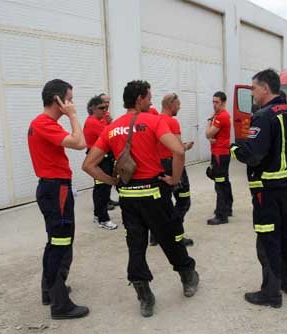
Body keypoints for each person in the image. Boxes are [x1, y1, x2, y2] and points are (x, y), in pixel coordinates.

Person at [82, 80, 199, 318]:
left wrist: (113, 182)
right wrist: (175, 179)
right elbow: (178, 150)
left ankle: (144, 296)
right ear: (139, 99)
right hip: (154, 195)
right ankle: (188, 276)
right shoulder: (154, 121)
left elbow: (88, 165)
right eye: (149, 97)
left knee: (136, 247)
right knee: (169, 240)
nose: (152, 101)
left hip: (128, 199)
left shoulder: (111, 128)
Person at [230, 69, 287, 308]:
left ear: (264, 88)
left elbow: (253, 155)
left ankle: (271, 293)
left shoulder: (263, 116)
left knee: (268, 238)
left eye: (253, 88)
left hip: (267, 191)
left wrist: (234, 149)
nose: (252, 93)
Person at [27, 79, 89, 319]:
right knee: (62, 244)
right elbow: (80, 143)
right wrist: (73, 116)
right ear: (58, 100)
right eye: (69, 99)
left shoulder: (43, 123)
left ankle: (50, 290)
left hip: (54, 188)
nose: (72, 103)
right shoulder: (44, 123)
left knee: (56, 242)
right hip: (56, 189)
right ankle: (60, 304)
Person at [151, 93, 194, 247]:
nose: (180, 107)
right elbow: (178, 148)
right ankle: (175, 233)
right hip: (172, 164)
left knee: (163, 202)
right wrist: (187, 146)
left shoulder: (154, 121)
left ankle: (156, 236)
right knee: (183, 200)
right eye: (178, 104)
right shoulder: (172, 122)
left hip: (157, 166)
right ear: (171, 104)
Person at [83, 95, 118, 230]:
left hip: (103, 157)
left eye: (106, 107)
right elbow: (110, 137)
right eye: (101, 107)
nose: (105, 109)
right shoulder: (93, 122)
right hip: (98, 159)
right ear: (93, 108)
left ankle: (98, 215)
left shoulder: (101, 119)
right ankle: (103, 218)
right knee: (102, 189)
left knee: (102, 188)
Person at [205, 91, 233, 225]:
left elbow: (208, 133)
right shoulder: (222, 115)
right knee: (225, 182)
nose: (214, 105)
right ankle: (228, 208)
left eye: (217, 102)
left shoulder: (221, 116)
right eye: (213, 102)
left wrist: (209, 122)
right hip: (222, 153)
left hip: (219, 154)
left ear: (223, 102)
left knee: (220, 183)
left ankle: (221, 215)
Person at [99, 93, 119, 211]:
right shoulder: (98, 116)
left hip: (108, 151)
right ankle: (103, 203)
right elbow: (104, 134)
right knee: (102, 181)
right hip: (101, 151)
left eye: (108, 102)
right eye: (104, 102)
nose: (107, 104)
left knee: (109, 176)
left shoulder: (107, 114)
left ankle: (108, 199)